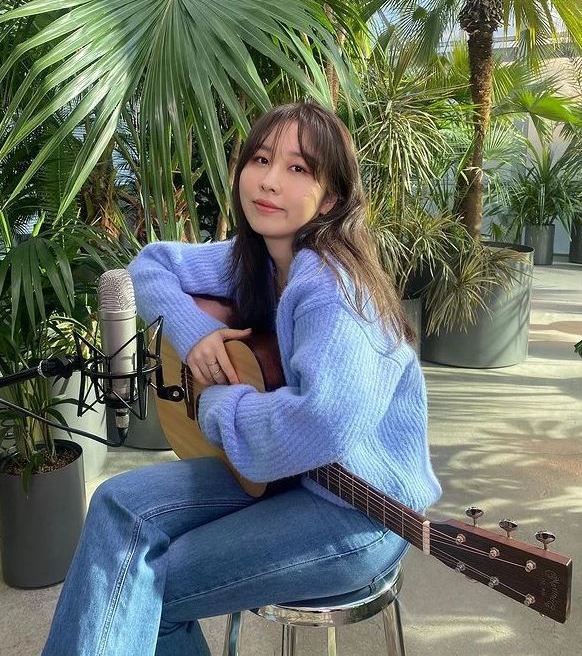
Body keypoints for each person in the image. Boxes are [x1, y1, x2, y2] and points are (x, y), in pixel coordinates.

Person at [43, 101, 441, 656]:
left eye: (298, 168)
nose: (270, 181)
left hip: (359, 514)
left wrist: (219, 405)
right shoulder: (256, 258)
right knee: (116, 504)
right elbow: (150, 266)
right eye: (261, 159)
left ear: (330, 198)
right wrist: (195, 336)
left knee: (144, 586)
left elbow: (322, 422)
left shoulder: (333, 287)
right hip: (289, 475)